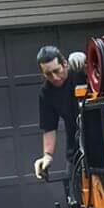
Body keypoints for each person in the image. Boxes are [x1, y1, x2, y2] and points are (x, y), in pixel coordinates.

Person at [33, 48, 86, 181]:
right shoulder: (46, 93)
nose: (54, 77)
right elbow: (49, 127)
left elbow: (103, 72)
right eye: (48, 74)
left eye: (57, 71)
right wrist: (47, 156)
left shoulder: (80, 72)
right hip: (76, 153)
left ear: (64, 64)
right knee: (74, 193)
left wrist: (86, 61)